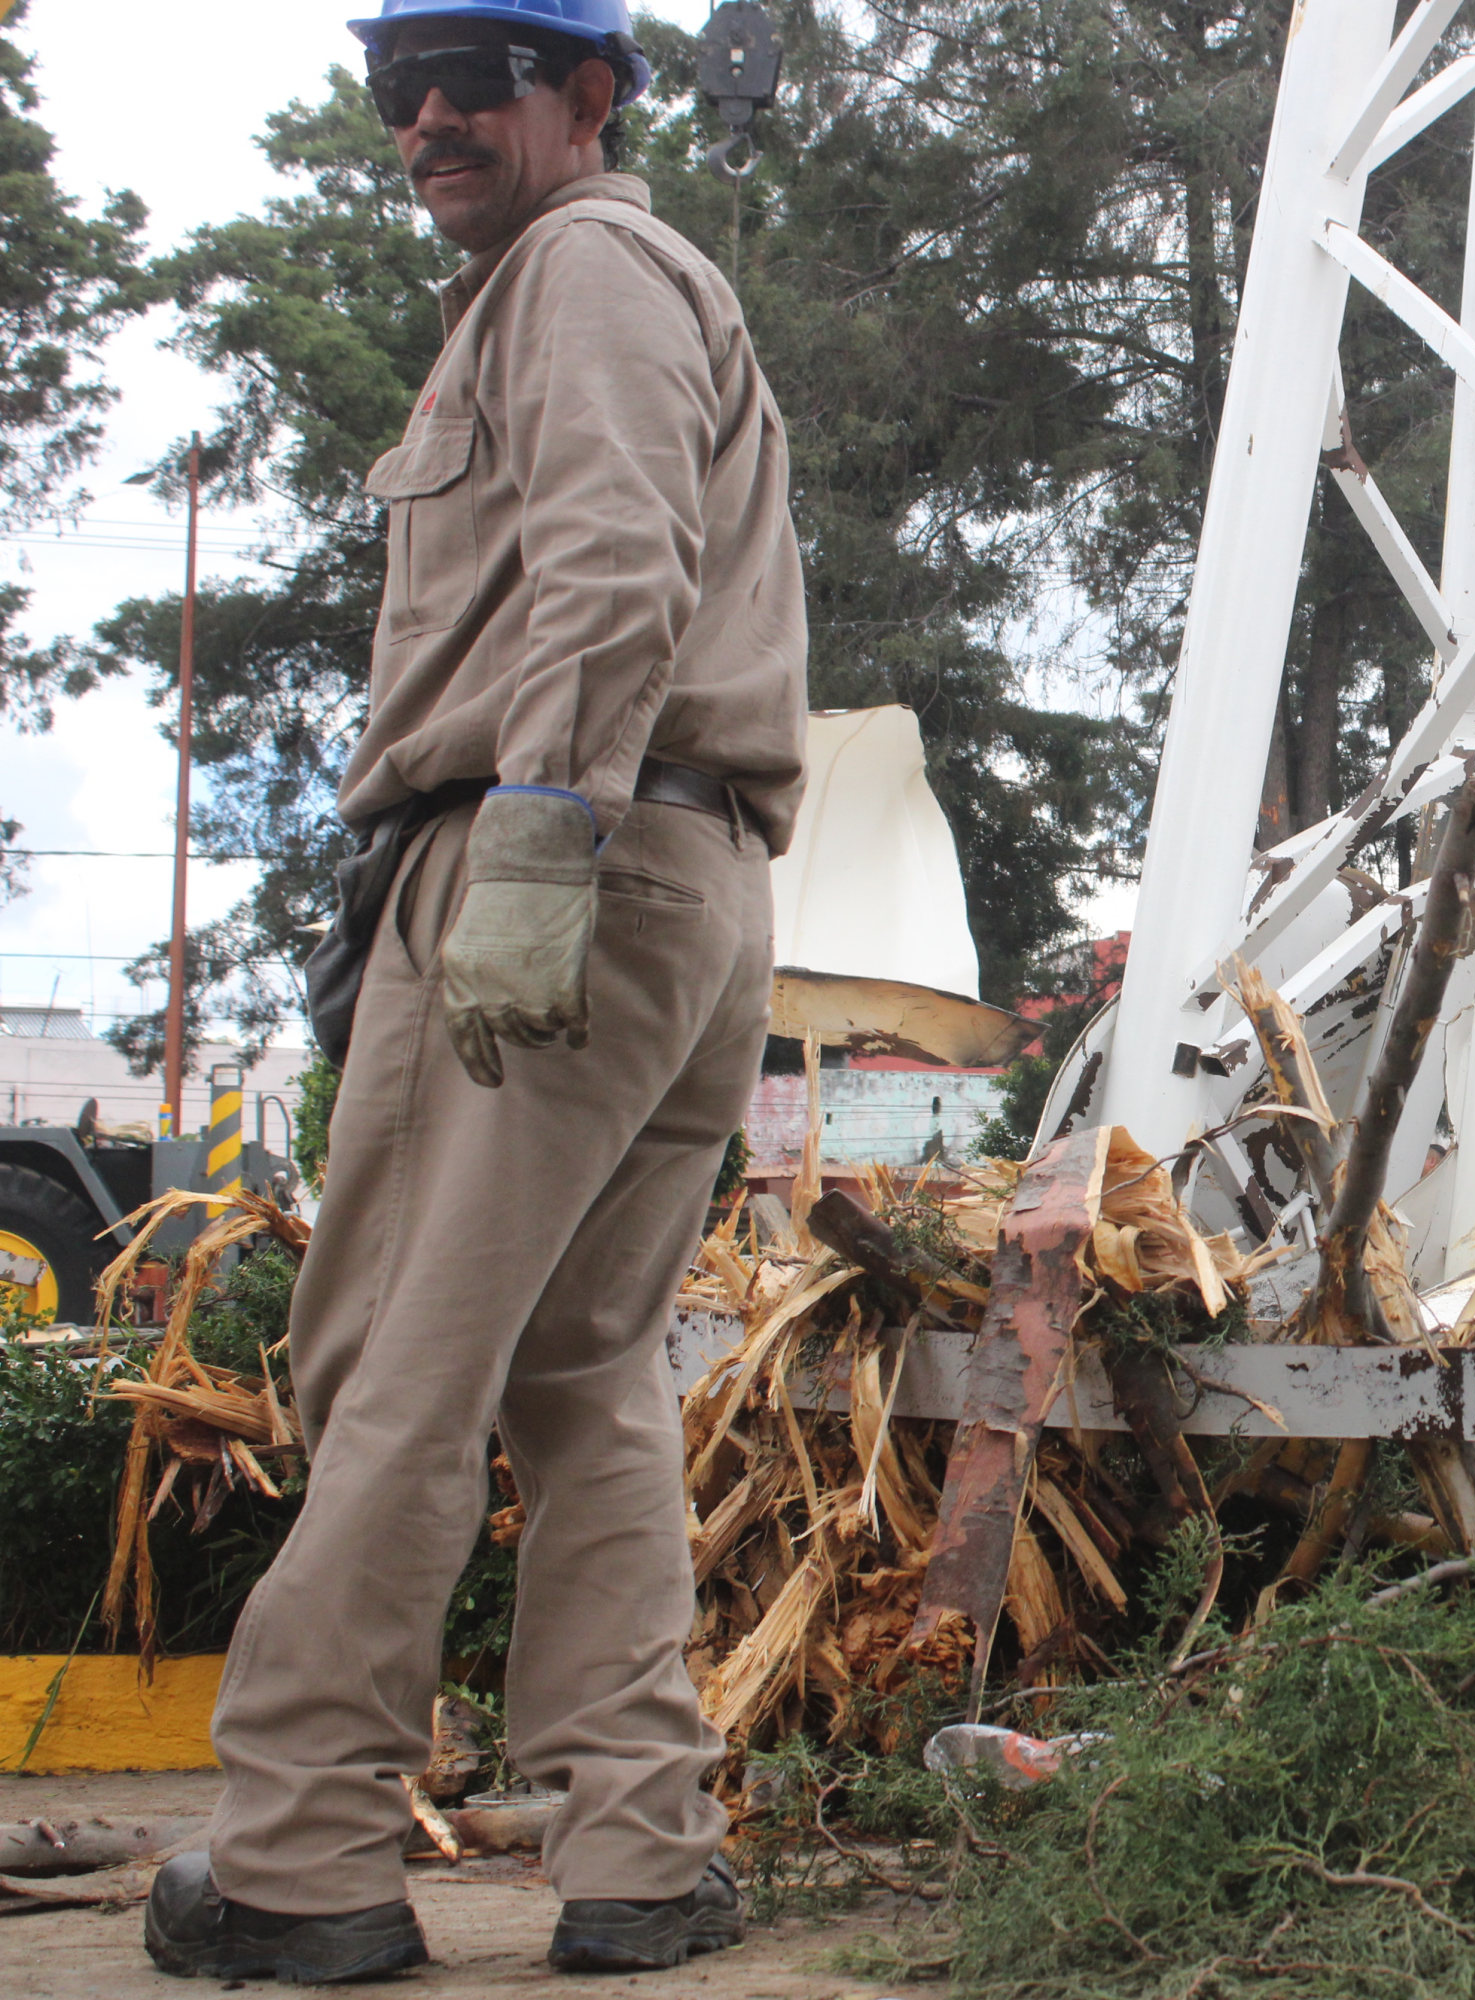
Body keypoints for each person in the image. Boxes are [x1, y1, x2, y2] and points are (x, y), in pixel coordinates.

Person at [146, 0, 807, 1980]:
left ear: (586, 95)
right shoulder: (581, 276)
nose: (427, 115)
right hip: (681, 877)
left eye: (474, 77)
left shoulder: (580, 266)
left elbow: (616, 561)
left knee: (388, 1371)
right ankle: (641, 1851)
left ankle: (297, 1857)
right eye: (397, 85)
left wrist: (533, 843)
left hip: (563, 865)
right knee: (579, 1374)